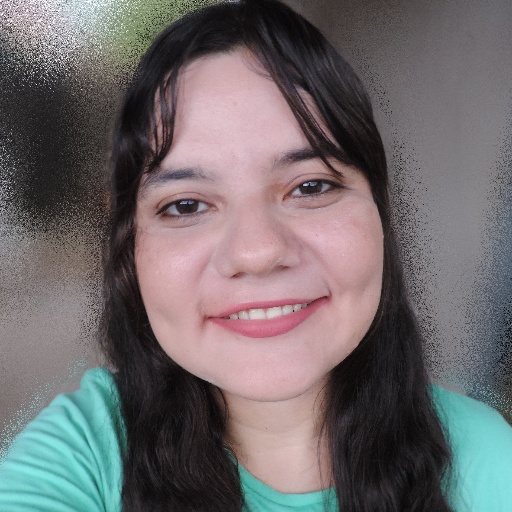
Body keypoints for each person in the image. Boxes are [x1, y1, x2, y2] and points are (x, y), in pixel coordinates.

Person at [0, 1, 511, 510]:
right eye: (186, 205)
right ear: (129, 249)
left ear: (379, 212)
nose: (258, 251)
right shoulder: (85, 456)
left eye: (310, 186)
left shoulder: (487, 465)